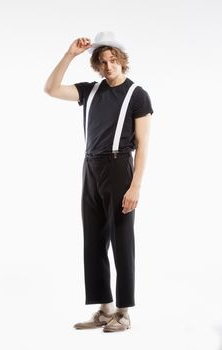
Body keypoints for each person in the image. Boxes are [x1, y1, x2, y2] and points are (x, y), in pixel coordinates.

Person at [44, 31, 153, 332]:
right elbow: (50, 89)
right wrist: (70, 54)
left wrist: (136, 186)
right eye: (102, 62)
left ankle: (124, 312)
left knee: (122, 242)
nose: (108, 66)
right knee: (93, 242)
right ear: (96, 65)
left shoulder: (137, 95)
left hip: (120, 169)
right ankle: (104, 310)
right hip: (90, 167)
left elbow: (143, 144)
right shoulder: (90, 91)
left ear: (122, 62)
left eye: (113, 60)